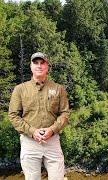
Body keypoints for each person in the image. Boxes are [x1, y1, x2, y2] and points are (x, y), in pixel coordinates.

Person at [8, 52, 70, 180]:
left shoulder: (59, 89)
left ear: (47, 67)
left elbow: (65, 113)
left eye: (42, 63)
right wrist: (32, 131)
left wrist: (52, 130)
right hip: (29, 142)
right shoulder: (20, 89)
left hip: (52, 141)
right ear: (31, 66)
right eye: (35, 63)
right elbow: (13, 115)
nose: (39, 66)